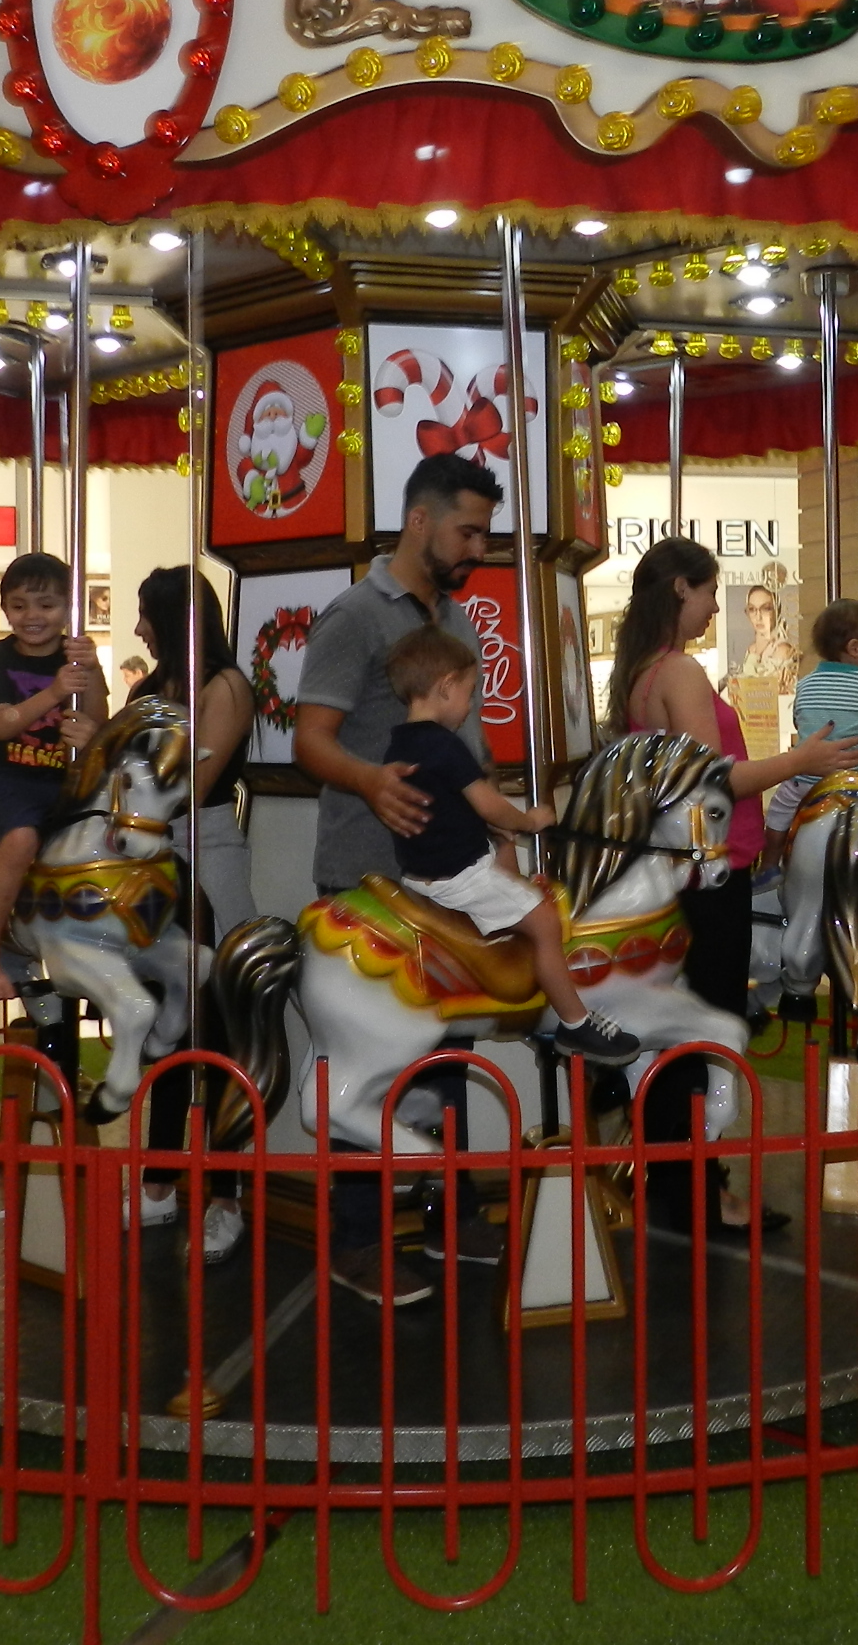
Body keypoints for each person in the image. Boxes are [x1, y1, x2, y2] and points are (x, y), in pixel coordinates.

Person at [294, 451, 500, 1304]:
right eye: (468, 531)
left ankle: (450, 1210)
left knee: (448, 1049)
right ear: (420, 521)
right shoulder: (354, 617)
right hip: (366, 881)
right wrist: (371, 782)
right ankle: (357, 1240)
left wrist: (496, 839)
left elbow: (468, 753)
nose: (478, 548)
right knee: (366, 1063)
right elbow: (312, 738)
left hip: (443, 880)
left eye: (483, 534)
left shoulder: (454, 621)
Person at [610, 537, 858, 1232]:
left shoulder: (641, 673)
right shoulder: (680, 671)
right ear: (681, 590)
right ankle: (699, 1184)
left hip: (675, 868)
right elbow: (713, 779)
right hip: (708, 869)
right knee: (710, 1025)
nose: (716, 608)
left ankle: (677, 1178)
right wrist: (800, 760)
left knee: (682, 1025)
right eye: (710, 592)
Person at [385, 625, 639, 1064]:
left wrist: (500, 834)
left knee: (509, 866)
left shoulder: (397, 745)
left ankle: (527, 991)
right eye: (469, 693)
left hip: (423, 871)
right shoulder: (445, 746)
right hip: (458, 876)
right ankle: (575, 1023)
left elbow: (450, 810)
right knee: (545, 921)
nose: (470, 706)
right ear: (445, 687)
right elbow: (489, 805)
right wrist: (527, 821)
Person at [124, 565, 254, 1265]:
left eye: (147, 614)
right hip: (149, 855)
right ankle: (159, 1181)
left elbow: (192, 785)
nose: (138, 628)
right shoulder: (147, 690)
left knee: (225, 1024)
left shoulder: (224, 687)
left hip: (206, 850)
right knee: (162, 1025)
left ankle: (227, 1195)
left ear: (175, 618)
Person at [0, 553, 108, 1007]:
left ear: (67, 608)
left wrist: (92, 681)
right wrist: (54, 691)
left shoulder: (76, 658)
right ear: (5, 609)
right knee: (20, 839)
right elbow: (2, 724)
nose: (33, 616)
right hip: (6, 775)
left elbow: (98, 717)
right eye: (20, 605)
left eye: (46, 605)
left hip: (61, 777)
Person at [763, 599, 858, 840]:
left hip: (806, 780)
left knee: (778, 811)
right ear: (855, 648)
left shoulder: (804, 684)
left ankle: (771, 858)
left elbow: (799, 721)